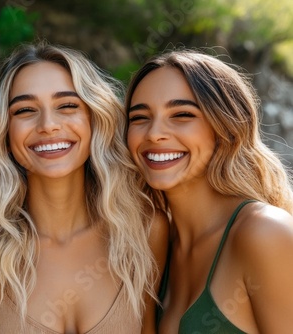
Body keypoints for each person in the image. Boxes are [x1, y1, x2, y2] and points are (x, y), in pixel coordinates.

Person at [0, 42, 168, 334]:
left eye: (67, 106)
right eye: (25, 110)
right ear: (4, 130)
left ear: (94, 118)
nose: (48, 125)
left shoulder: (145, 230)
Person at [125, 49, 293, 333]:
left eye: (181, 114)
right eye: (139, 117)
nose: (154, 133)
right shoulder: (153, 241)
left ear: (225, 127)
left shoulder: (265, 232)